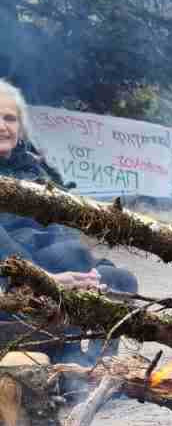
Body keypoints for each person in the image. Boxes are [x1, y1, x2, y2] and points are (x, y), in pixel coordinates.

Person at [0, 79, 138, 294]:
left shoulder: (34, 169)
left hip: (49, 257)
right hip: (10, 272)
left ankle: (77, 287)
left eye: (9, 118)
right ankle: (43, 290)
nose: (2, 127)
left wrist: (92, 268)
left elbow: (61, 228)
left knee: (122, 280)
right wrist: (43, 278)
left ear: (20, 127)